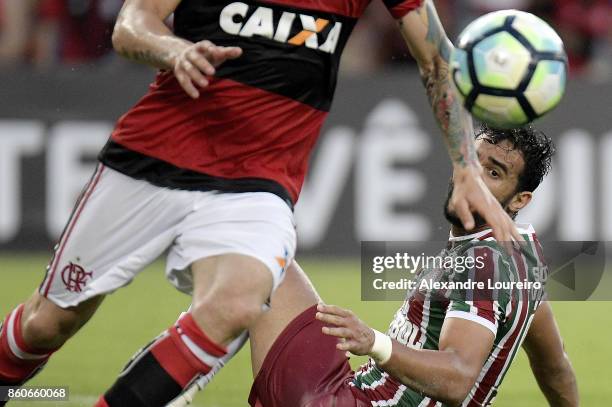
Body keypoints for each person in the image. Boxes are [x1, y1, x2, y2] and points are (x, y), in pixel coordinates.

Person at [0, 1, 522, 406]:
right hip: (152, 157)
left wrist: (466, 167)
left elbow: (436, 58)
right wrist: (172, 50)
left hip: (258, 181)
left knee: (236, 304)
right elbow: (131, 24)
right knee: (47, 323)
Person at [242, 125, 578, 407]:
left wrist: (372, 341)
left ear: (520, 199)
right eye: (472, 160)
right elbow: (555, 367)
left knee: (258, 252)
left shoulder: (484, 263)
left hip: (358, 402)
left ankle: (188, 368)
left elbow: (457, 378)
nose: (474, 178)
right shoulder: (522, 254)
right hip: (355, 389)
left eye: (493, 173)